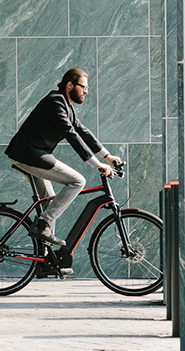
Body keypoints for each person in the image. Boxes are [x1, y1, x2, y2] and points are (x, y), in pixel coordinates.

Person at [6, 68, 122, 270]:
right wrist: (96, 164)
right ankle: (42, 225)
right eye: (83, 87)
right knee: (78, 181)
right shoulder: (55, 101)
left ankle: (43, 262)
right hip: (30, 155)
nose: (86, 92)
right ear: (70, 85)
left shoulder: (65, 105)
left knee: (50, 204)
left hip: (32, 155)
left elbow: (81, 130)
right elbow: (70, 134)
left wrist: (107, 156)